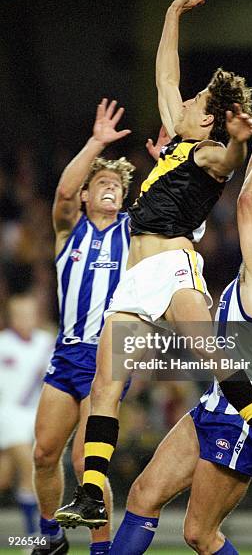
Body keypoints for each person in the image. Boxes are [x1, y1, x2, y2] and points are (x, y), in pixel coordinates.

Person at [56, 0, 252, 530]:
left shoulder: (208, 152)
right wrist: (171, 16)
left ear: (209, 121)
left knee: (209, 352)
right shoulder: (177, 145)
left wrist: (243, 142)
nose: (185, 101)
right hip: (134, 279)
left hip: (173, 266)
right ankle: (93, 491)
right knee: (105, 384)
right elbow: (165, 78)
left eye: (196, 103)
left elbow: (230, 159)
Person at [109, 100, 252, 555]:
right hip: (216, 403)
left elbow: (247, 203)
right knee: (143, 495)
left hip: (245, 417)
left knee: (199, 535)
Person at [31, 100, 134, 555]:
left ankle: (101, 549)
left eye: (117, 184)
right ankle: (51, 537)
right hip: (66, 353)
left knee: (84, 461)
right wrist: (96, 144)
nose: (110, 187)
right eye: (101, 183)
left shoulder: (133, 231)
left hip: (106, 358)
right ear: (88, 196)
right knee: (43, 454)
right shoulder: (68, 229)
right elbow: (62, 195)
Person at [0, 294, 53, 542]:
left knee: (6, 477)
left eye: (30, 314)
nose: (25, 319)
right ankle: (34, 536)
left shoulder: (46, 343)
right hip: (9, 413)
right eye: (20, 315)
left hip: (38, 413)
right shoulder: (3, 344)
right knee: (29, 467)